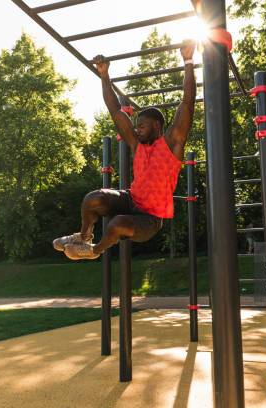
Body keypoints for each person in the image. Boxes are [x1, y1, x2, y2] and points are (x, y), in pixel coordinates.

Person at [53, 41, 197, 260]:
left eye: (142, 126)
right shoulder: (137, 145)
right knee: (93, 199)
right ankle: (84, 237)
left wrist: (187, 61)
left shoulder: (171, 145)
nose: (137, 130)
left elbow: (187, 103)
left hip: (150, 218)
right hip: (131, 199)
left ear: (157, 126)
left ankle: (93, 251)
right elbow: (114, 110)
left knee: (117, 224)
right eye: (136, 126)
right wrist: (104, 75)